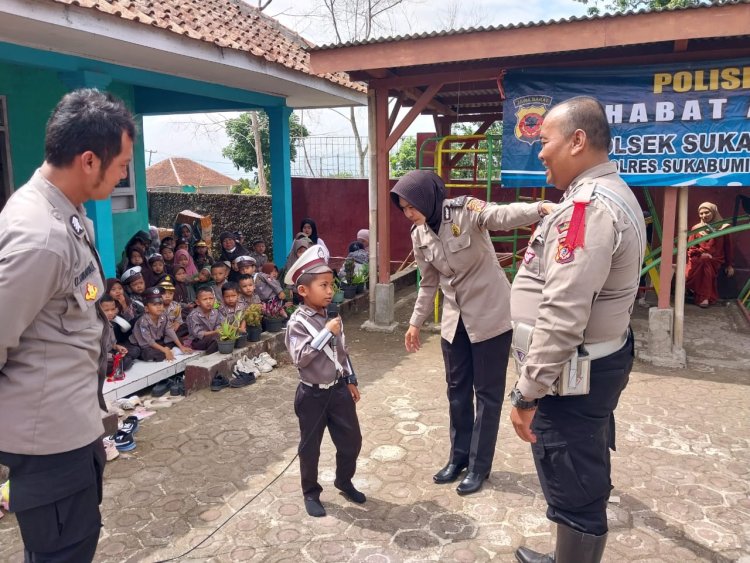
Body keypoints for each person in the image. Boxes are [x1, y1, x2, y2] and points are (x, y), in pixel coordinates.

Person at [509, 97, 647, 563]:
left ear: (577, 141)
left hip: (569, 375)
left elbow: (563, 313)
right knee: (579, 464)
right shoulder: (610, 194)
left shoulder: (587, 209)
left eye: (545, 141)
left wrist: (527, 393)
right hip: (586, 365)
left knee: (572, 472)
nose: (541, 152)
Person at [0, 88, 134, 562]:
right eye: (123, 166)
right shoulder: (40, 237)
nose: (124, 176)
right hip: (46, 445)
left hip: (70, 431)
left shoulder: (68, 215)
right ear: (90, 160)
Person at [390, 169, 551, 496]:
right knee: (457, 392)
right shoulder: (419, 235)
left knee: (488, 396)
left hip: (491, 316)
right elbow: (429, 283)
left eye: (412, 206)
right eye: (404, 209)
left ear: (428, 196)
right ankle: (457, 458)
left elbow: (499, 215)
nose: (409, 213)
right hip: (455, 322)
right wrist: (414, 321)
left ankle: (479, 467)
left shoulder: (464, 210)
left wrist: (538, 209)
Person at [283, 245, 363, 517]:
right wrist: (326, 333)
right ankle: (310, 492)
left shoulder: (333, 315)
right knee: (310, 448)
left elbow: (342, 350)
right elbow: (301, 357)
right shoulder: (297, 322)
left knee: (352, 441)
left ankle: (344, 480)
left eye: (332, 284)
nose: (330, 291)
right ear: (303, 291)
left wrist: (350, 378)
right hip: (312, 396)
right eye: (323, 285)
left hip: (338, 391)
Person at [686, 202, 734, 308]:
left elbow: (728, 247)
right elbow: (690, 248)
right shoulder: (696, 228)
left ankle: (703, 297)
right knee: (704, 261)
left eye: (706, 212)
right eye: (701, 213)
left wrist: (729, 265)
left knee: (706, 262)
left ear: (713, 212)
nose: (704, 216)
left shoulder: (724, 228)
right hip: (698, 257)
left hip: (716, 259)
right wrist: (701, 253)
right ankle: (705, 297)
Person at [130, 287, 192, 362]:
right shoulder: (143, 321)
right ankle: (167, 351)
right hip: (144, 345)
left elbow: (169, 330)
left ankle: (167, 351)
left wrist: (181, 346)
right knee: (149, 354)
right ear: (146, 309)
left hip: (157, 341)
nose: (159, 307)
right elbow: (149, 341)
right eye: (155, 304)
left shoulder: (164, 316)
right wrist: (164, 350)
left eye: (160, 303)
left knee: (178, 339)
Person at [98, 295, 138, 374]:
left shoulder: (109, 323)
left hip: (111, 352)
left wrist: (117, 347)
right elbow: (97, 352)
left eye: (113, 309)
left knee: (135, 350)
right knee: (124, 362)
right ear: (98, 310)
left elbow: (112, 344)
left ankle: (122, 361)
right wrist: (113, 356)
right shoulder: (96, 327)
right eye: (106, 310)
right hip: (101, 356)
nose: (110, 313)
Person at [187, 286, 221, 354]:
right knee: (216, 340)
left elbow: (218, 325)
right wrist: (215, 332)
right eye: (205, 299)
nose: (208, 301)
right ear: (198, 302)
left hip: (213, 336)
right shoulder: (194, 315)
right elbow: (198, 333)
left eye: (211, 298)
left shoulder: (216, 312)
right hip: (198, 341)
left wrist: (219, 331)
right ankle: (208, 357)